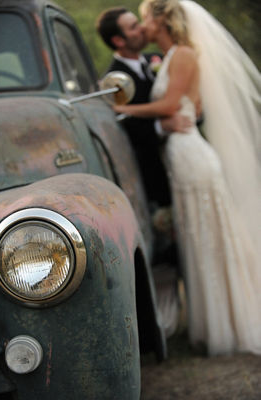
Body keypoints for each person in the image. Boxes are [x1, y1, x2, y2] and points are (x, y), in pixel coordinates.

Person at [114, 0, 261, 356]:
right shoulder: (168, 57)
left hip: (192, 158)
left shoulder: (182, 55)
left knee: (209, 235)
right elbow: (187, 107)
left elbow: (170, 105)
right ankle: (213, 322)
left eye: (145, 17)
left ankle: (234, 322)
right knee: (198, 237)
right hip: (179, 155)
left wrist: (121, 109)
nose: (143, 26)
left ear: (161, 20)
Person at [96, 7, 191, 210]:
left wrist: (191, 115)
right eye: (133, 27)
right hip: (153, 175)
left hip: (185, 154)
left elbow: (185, 96)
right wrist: (162, 126)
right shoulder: (112, 82)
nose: (141, 29)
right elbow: (126, 131)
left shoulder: (158, 60)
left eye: (138, 23)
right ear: (119, 41)